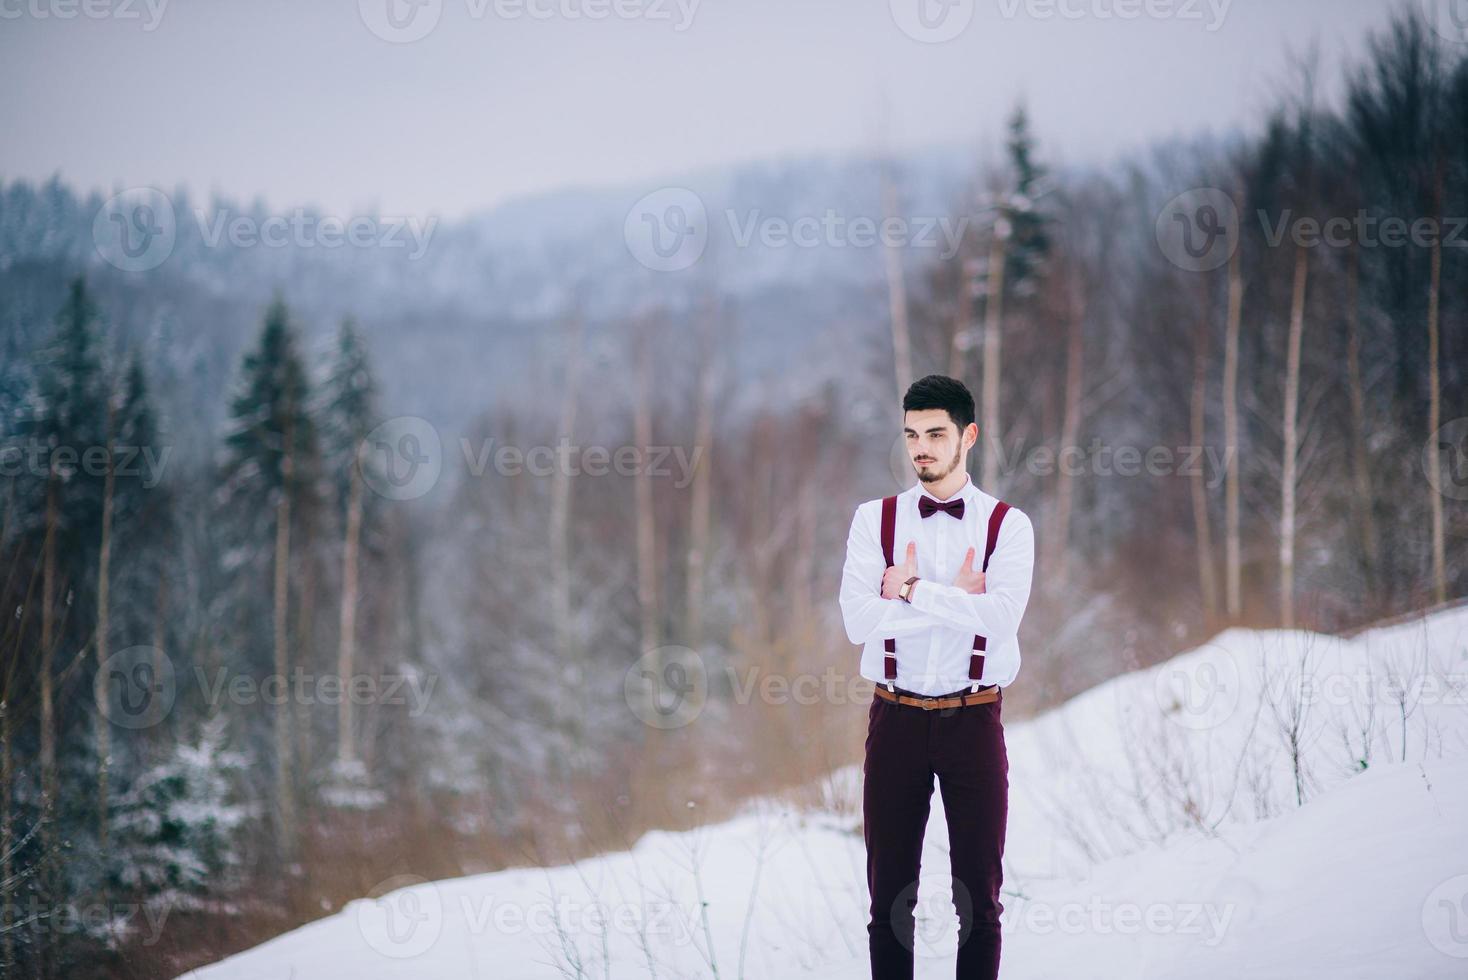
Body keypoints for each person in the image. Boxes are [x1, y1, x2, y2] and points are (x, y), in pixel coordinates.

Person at [838, 374, 1035, 980]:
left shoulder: (1009, 526)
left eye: (935, 433)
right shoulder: (875, 520)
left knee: (979, 900)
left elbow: (999, 622)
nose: (920, 447)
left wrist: (914, 590)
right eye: (911, 434)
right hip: (893, 718)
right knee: (888, 900)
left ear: (968, 436)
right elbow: (857, 623)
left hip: (974, 719)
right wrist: (956, 602)